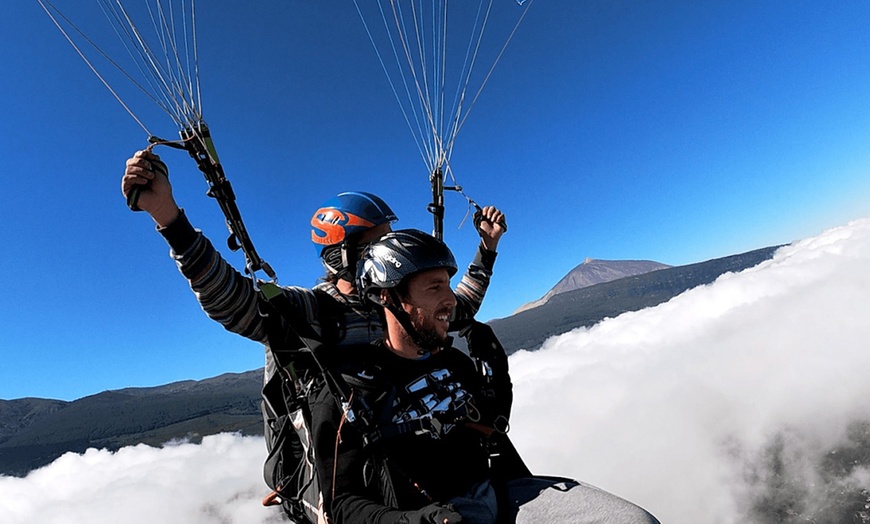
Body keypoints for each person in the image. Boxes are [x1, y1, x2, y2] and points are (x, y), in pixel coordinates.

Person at [308, 229, 661, 524]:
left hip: (503, 491)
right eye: (434, 288)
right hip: (438, 513)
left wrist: (496, 368)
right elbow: (341, 504)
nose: (450, 300)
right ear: (388, 297)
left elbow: (492, 421)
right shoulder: (350, 389)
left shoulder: (453, 362)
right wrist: (411, 521)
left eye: (448, 285)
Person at [120, 149, 507, 383]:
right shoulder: (315, 313)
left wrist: (486, 248)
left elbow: (458, 310)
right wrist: (170, 219)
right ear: (341, 255)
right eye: (376, 244)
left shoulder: (395, 302)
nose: (390, 253)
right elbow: (231, 301)